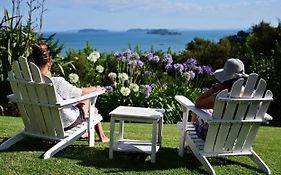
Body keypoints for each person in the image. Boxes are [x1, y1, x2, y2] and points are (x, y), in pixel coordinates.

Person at [30, 42, 109, 143]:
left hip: (41, 122)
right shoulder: (56, 82)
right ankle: (102, 136)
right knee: (90, 102)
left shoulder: (28, 83)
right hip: (65, 123)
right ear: (50, 60)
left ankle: (90, 134)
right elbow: (80, 93)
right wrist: (96, 89)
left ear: (33, 60)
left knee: (82, 103)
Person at [192, 58, 248, 140]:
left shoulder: (222, 96)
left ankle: (190, 145)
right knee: (210, 111)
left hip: (214, 135)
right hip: (236, 135)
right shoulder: (248, 94)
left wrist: (214, 88)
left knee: (195, 112)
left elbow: (197, 102)